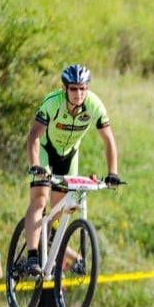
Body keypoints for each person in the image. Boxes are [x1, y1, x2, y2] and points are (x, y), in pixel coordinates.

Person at [24, 64, 119, 275]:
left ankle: (47, 247)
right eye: (74, 89)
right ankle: (31, 256)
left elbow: (108, 140)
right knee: (40, 199)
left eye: (83, 89)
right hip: (46, 152)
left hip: (69, 155)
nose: (79, 94)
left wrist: (112, 172)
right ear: (65, 88)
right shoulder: (53, 103)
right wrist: (35, 166)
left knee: (60, 209)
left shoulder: (94, 105)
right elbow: (34, 136)